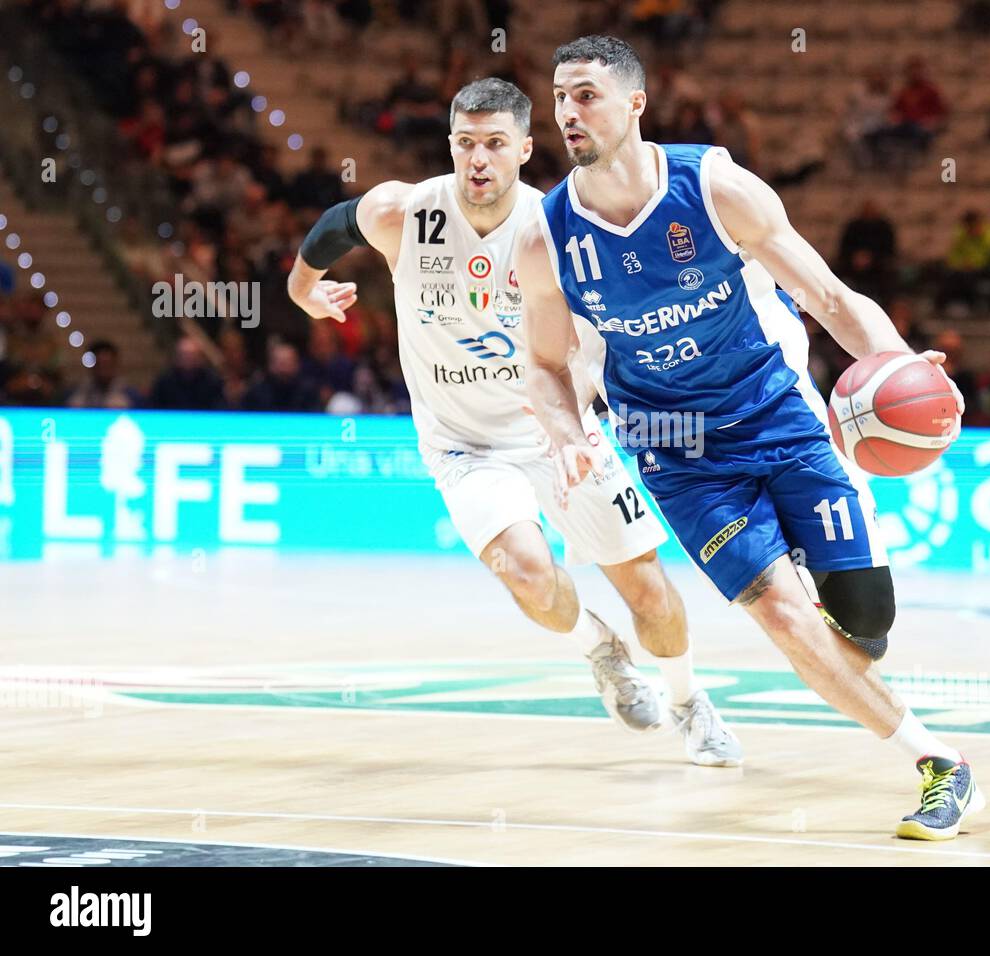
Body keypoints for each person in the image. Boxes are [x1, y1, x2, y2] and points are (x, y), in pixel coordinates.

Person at [516, 36, 980, 840]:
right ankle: (942, 765)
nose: (567, 111)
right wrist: (566, 434)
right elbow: (545, 365)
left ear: (635, 103)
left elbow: (831, 298)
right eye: (559, 96)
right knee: (783, 616)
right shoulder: (548, 235)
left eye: (585, 94)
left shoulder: (715, 186)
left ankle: (825, 587)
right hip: (676, 450)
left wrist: (901, 366)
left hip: (779, 415)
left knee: (864, 626)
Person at [287, 77, 740, 766]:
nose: (478, 159)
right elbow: (328, 231)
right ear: (450, 145)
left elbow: (610, 335)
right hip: (463, 444)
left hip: (560, 431)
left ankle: (688, 700)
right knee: (526, 571)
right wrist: (302, 291)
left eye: (495, 144)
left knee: (647, 589)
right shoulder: (403, 214)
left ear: (526, 149)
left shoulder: (556, 229)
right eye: (466, 143)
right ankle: (600, 649)